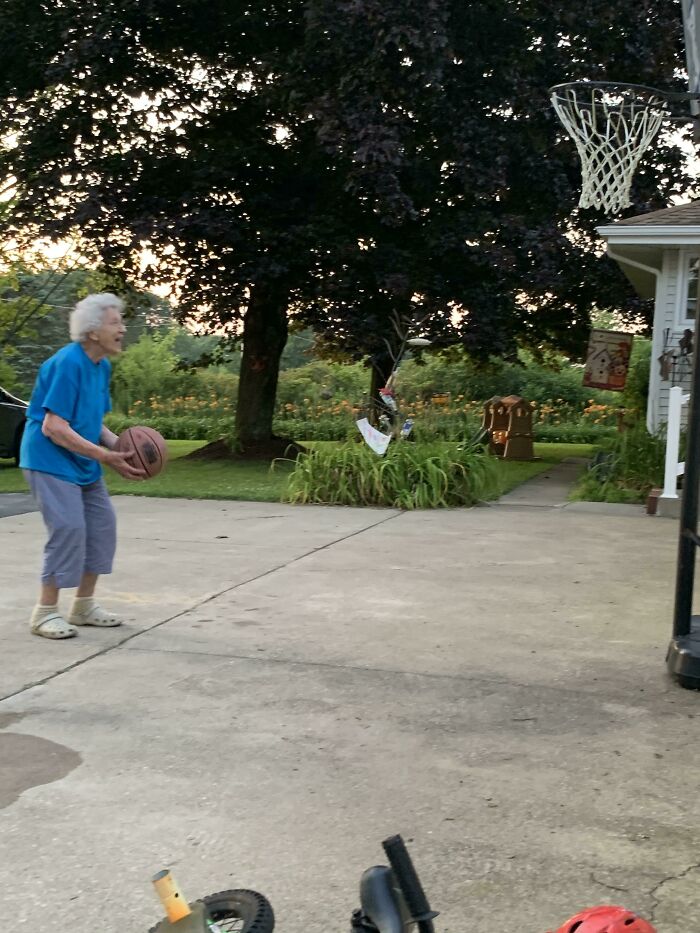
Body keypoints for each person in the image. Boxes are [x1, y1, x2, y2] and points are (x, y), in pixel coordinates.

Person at [20, 293, 144, 640]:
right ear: (92, 332)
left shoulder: (100, 365)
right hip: (49, 460)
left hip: (82, 460)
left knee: (102, 528)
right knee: (69, 528)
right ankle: (44, 613)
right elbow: (53, 427)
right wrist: (104, 456)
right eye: (114, 322)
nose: (122, 328)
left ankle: (83, 607)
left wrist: (121, 448)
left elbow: (92, 422)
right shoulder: (68, 363)